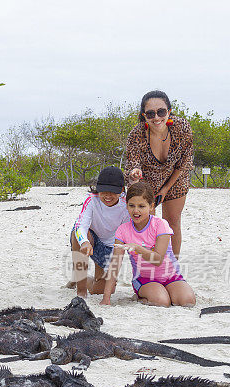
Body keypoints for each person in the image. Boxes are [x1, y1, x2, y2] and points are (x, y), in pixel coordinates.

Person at [100, 181, 195, 307]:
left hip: (171, 276)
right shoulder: (122, 230)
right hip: (145, 279)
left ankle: (167, 291)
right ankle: (141, 296)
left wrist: (138, 248)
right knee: (162, 302)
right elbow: (115, 265)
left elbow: (158, 260)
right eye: (131, 205)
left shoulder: (161, 225)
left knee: (187, 301)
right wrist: (106, 298)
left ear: (151, 206)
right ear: (126, 206)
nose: (136, 211)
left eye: (141, 206)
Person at [124, 90, 193, 258]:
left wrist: (166, 189)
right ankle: (151, 264)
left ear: (169, 111)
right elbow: (133, 163)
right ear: (143, 116)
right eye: (150, 113)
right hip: (147, 179)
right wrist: (135, 172)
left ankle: (173, 265)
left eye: (161, 112)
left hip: (176, 177)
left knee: (173, 221)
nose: (156, 118)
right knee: (148, 224)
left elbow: (185, 162)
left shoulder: (182, 128)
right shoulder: (136, 134)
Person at [69, 166, 130, 298]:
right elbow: (81, 225)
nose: (108, 196)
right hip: (92, 239)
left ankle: (82, 279)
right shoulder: (91, 199)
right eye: (103, 191)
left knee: (103, 288)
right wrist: (84, 242)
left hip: (109, 247)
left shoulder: (127, 205)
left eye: (113, 192)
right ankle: (81, 290)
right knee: (77, 235)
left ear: (122, 190)